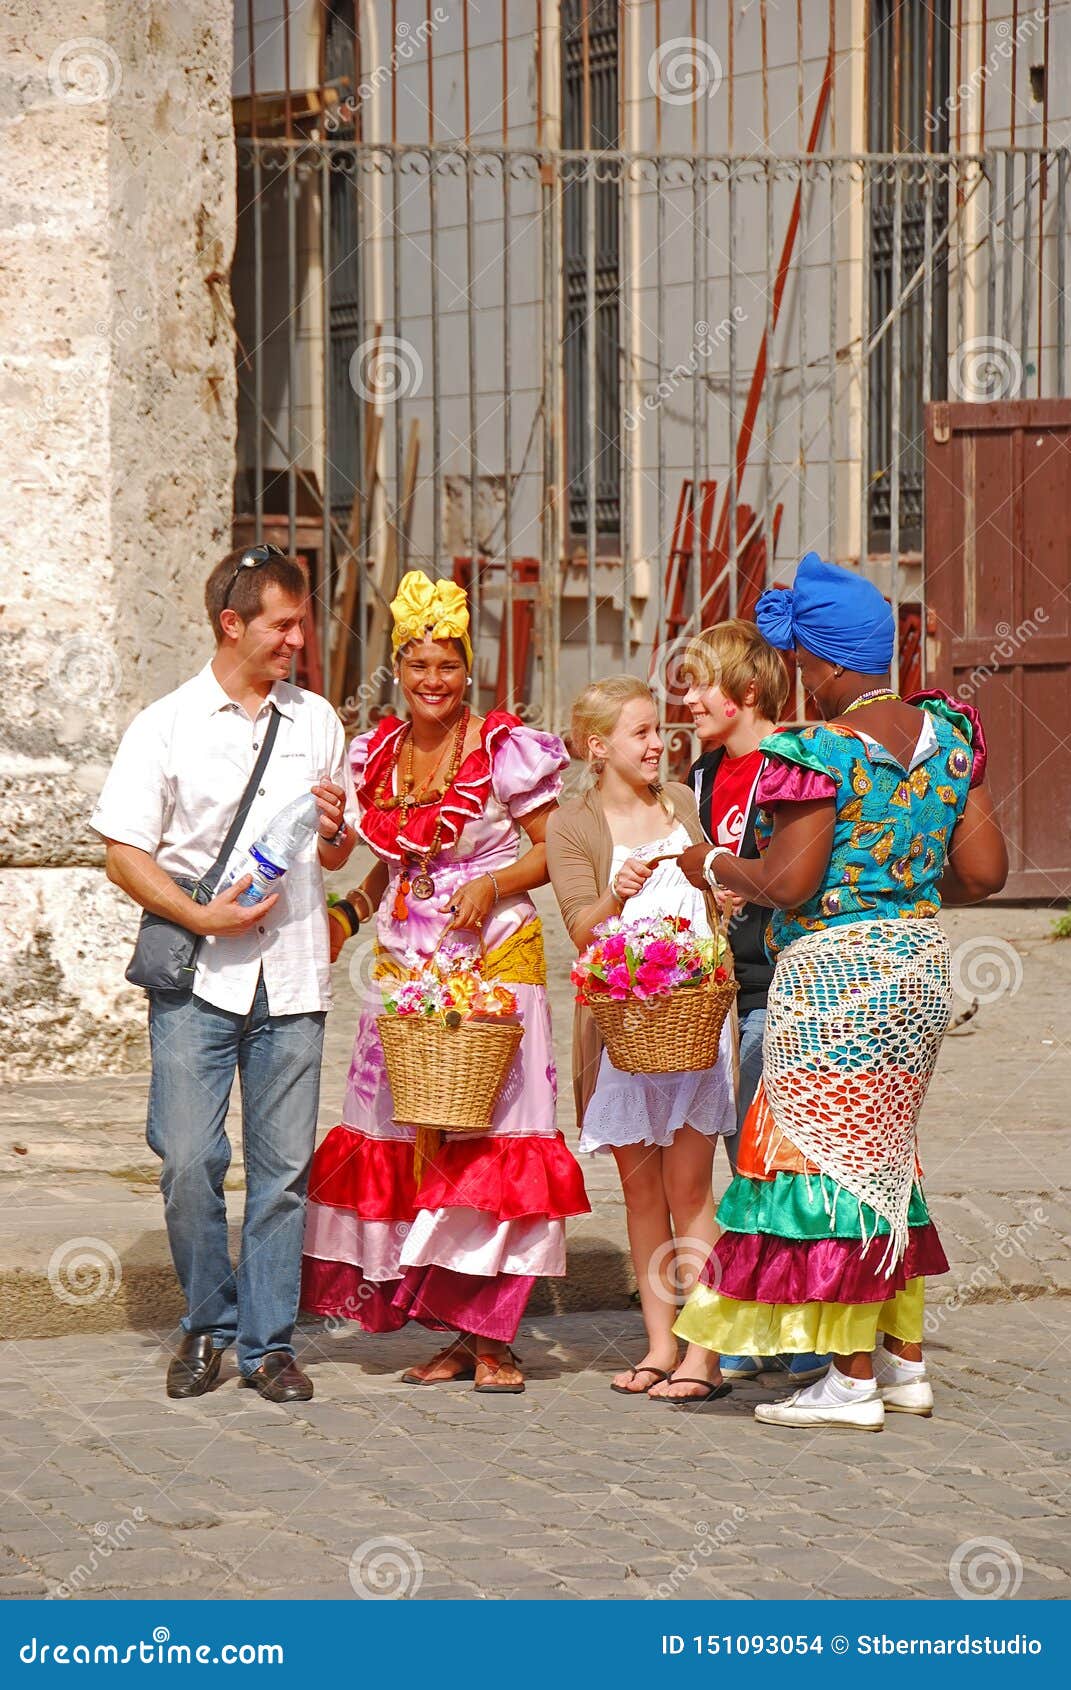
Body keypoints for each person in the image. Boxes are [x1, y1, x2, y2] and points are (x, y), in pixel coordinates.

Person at [666, 552, 1008, 1426]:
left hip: (837, 981)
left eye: (802, 668)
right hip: (919, 971)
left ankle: (848, 1378)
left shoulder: (816, 748)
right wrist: (897, 883)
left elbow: (783, 882)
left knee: (818, 1159)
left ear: (819, 664)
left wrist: (703, 860)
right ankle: (902, 1363)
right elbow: (984, 871)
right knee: (885, 1159)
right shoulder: (945, 736)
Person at [301, 571, 589, 1394]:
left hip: (496, 959)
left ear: (471, 668)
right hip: (404, 969)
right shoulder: (376, 753)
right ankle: (453, 1335)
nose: (434, 681)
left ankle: (493, 1337)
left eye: (449, 665)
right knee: (405, 1136)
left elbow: (554, 846)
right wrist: (336, 881)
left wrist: (492, 886)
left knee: (494, 1142)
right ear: (397, 666)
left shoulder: (504, 748)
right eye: (419, 664)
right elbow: (352, 861)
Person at [91, 544, 357, 1403]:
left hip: (293, 974)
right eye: (281, 624)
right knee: (187, 1160)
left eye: (301, 623)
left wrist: (337, 828)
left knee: (282, 1175)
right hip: (198, 977)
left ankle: (267, 1344)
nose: (297, 640)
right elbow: (121, 851)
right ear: (231, 624)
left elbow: (337, 849)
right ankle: (205, 1322)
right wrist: (199, 915)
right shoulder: (163, 725)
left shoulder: (316, 719)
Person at [546, 677, 735, 1405]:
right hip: (622, 1032)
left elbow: (708, 888)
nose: (658, 743)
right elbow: (579, 928)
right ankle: (659, 1346)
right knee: (639, 1192)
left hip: (689, 1020)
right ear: (600, 747)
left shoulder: (681, 802)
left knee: (690, 1187)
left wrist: (723, 896)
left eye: (659, 731)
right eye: (641, 733)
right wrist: (615, 894)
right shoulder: (573, 825)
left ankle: (705, 1352)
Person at [681, 621, 829, 1390]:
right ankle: (757, 1317)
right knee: (738, 1156)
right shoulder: (704, 774)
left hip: (781, 986)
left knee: (773, 1161)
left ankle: (793, 1327)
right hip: (721, 988)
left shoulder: (793, 765)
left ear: (743, 694)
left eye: (700, 684)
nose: (686, 698)